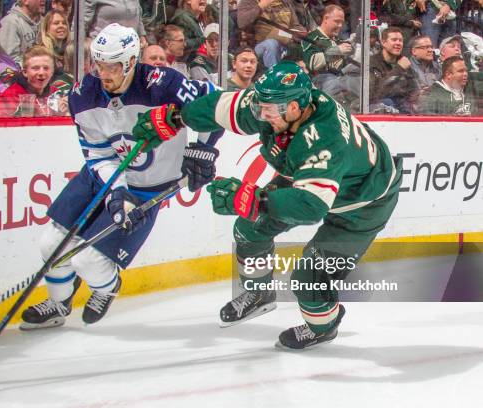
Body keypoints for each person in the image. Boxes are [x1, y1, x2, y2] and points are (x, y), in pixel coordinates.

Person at [133, 61, 402, 350]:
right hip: (310, 180)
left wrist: (255, 200)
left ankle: (323, 327)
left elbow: (311, 205)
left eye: (270, 111)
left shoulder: (324, 138)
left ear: (297, 108)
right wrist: (178, 118)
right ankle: (259, 294)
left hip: (363, 204)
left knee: (310, 278)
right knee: (249, 228)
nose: (262, 115)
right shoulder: (277, 104)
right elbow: (219, 107)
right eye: (262, 106)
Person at [19, 23, 219, 329]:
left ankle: (106, 287)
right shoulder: (83, 95)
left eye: (111, 65)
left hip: (150, 187)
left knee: (90, 261)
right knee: (51, 242)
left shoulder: (163, 83)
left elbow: (214, 106)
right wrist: (117, 191)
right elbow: (98, 152)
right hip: (102, 174)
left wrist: (202, 150)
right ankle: (58, 304)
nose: (103, 73)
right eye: (98, 64)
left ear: (129, 62)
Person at [302, 5, 355, 100]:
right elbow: (312, 63)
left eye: (342, 22)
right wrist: (336, 51)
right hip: (317, 82)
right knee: (333, 82)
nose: (340, 25)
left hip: (340, 79)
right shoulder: (312, 38)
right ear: (326, 18)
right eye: (337, 21)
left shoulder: (339, 41)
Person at [237, 0, 306, 69]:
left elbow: (295, 25)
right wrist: (262, 5)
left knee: (307, 43)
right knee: (271, 44)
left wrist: (303, 32)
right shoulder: (249, 2)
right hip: (259, 46)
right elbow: (242, 22)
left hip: (287, 42)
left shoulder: (285, 2)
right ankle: (274, 76)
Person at [2, 46, 69, 116]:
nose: (41, 73)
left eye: (46, 68)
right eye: (35, 68)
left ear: (52, 72)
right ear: (25, 72)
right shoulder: (11, 95)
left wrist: (65, 111)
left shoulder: (56, 93)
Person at [369, 26, 418, 113]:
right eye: (394, 40)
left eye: (400, 40)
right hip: (380, 107)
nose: (398, 43)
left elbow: (413, 89)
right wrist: (399, 69)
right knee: (388, 102)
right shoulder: (372, 62)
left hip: (402, 105)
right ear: (383, 42)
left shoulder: (404, 62)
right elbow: (376, 93)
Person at [0, 0, 43, 68]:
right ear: (25, 1)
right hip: (20, 75)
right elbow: (9, 60)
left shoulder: (43, 21)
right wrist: (37, 65)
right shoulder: (11, 22)